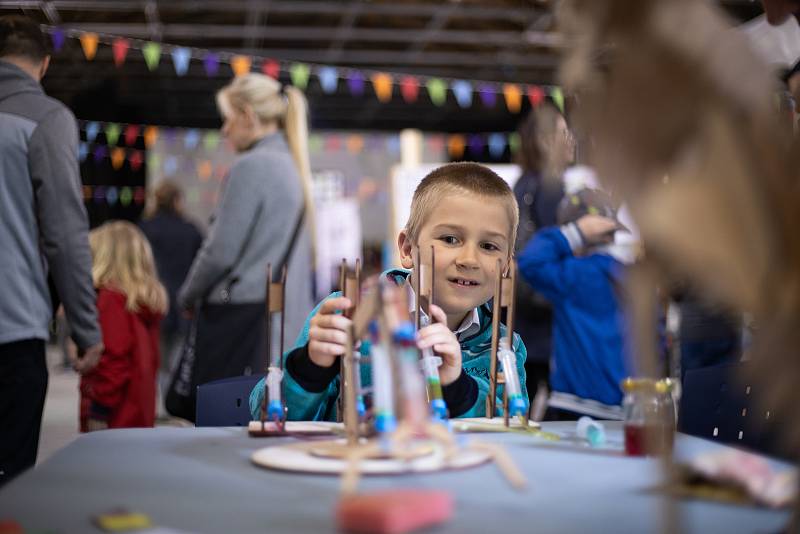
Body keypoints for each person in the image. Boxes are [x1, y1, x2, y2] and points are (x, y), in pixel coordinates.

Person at [250, 162, 528, 421]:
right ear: (408, 250)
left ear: (505, 267)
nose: (469, 259)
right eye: (450, 239)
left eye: (489, 246)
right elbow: (264, 412)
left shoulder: (505, 345)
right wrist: (312, 366)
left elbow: (512, 429)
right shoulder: (346, 316)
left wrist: (456, 388)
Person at [0, 15, 102, 485]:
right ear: (43, 65)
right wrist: (85, 327)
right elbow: (64, 232)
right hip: (11, 330)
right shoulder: (45, 118)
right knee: (10, 482)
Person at [176, 74, 315, 420]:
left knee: (219, 420)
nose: (224, 130)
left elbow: (220, 251)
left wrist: (187, 295)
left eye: (227, 118)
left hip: (239, 314)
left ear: (248, 116)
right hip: (277, 317)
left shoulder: (252, 166)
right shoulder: (293, 166)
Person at [518, 187, 633, 420]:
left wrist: (574, 233)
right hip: (625, 407)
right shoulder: (632, 278)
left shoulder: (574, 275)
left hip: (574, 405)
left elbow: (530, 262)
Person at [512, 101, 575, 408]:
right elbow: (561, 246)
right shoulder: (550, 187)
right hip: (546, 306)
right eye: (564, 132)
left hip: (523, 304)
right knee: (554, 397)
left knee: (525, 391)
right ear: (546, 141)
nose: (571, 139)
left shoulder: (522, 184)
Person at [80, 221, 166, 431]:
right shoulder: (140, 304)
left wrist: (99, 408)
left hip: (112, 415)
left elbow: (114, 359)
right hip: (138, 412)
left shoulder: (111, 300)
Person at [139, 181, 203, 369]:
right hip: (183, 304)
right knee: (177, 366)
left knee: (155, 363)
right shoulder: (190, 230)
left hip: (153, 302)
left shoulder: (145, 229)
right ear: (177, 200)